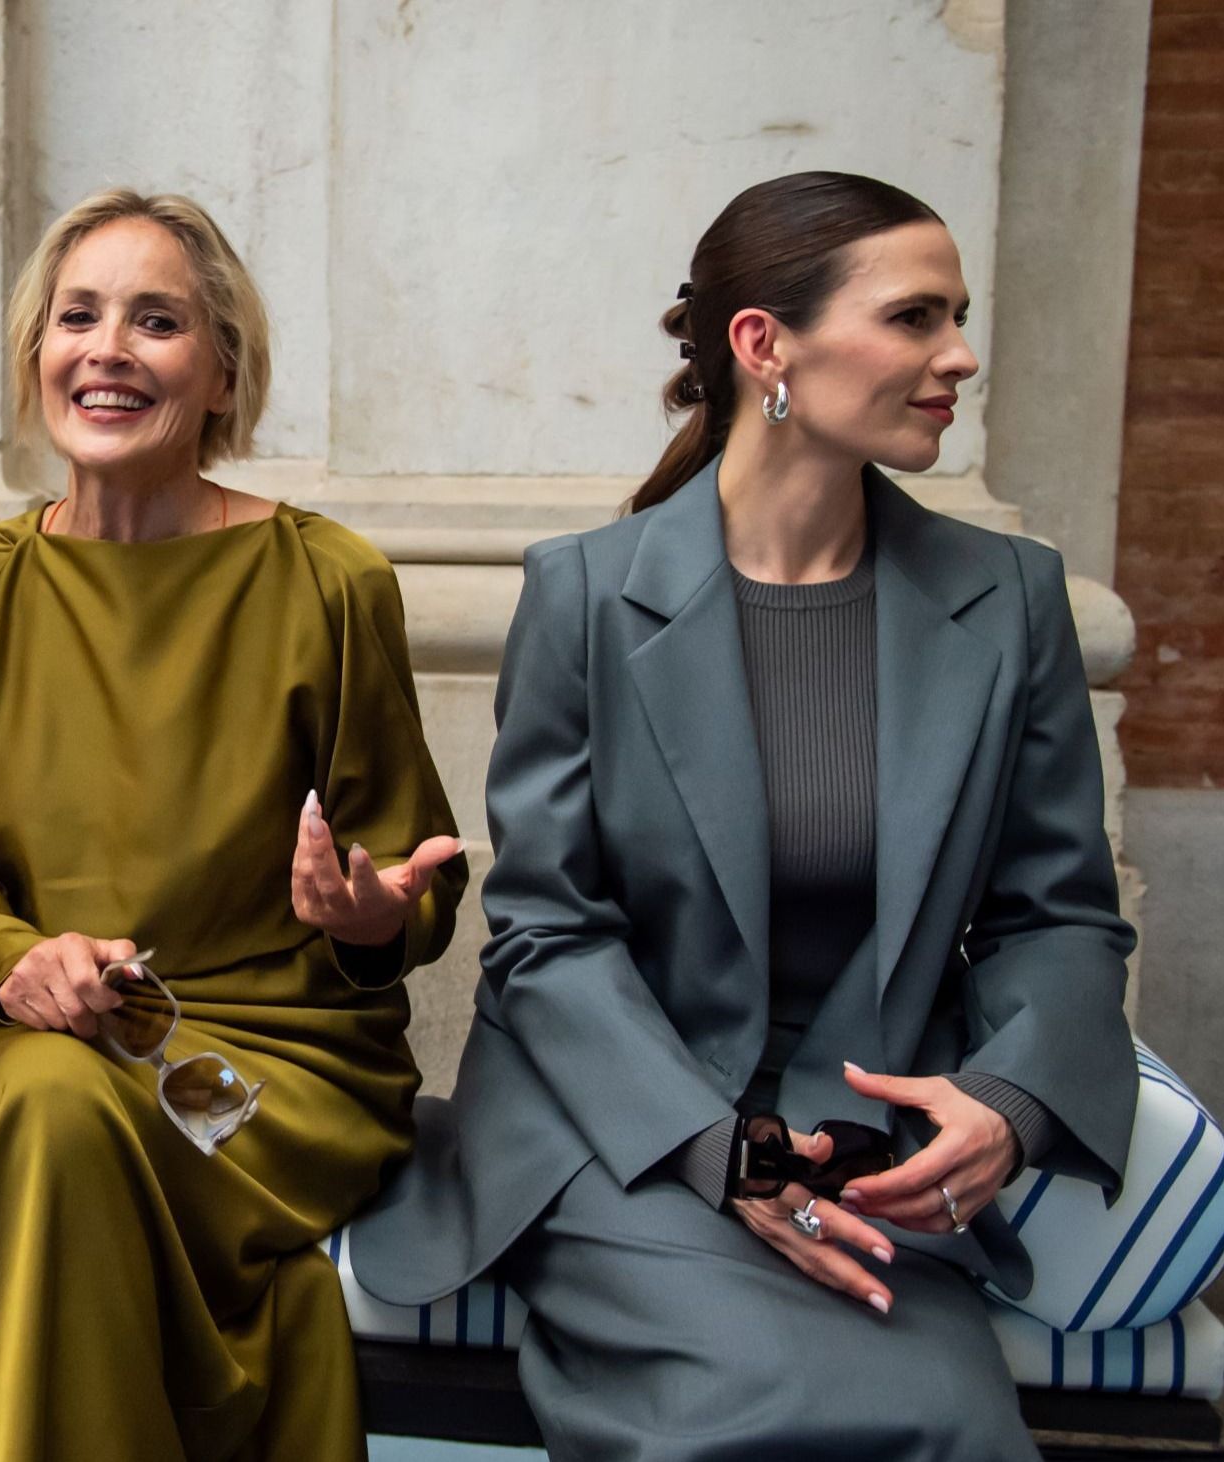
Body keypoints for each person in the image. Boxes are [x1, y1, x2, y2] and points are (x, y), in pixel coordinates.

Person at [351, 172, 1139, 1459]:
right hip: (622, 1126)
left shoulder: (1008, 598)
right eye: (914, 317)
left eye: (957, 317)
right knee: (756, 1409)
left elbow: (1052, 914)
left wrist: (1005, 1100)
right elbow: (547, 934)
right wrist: (720, 1151)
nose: (958, 354)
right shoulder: (586, 595)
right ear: (763, 345)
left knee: (945, 1420)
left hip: (869, 1141)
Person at [0, 188, 463, 1462]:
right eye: (76, 317)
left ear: (223, 372)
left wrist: (367, 916)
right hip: (30, 1039)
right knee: (44, 1105)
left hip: (271, 1069)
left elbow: (407, 881)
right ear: (36, 354)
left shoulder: (327, 580)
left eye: (156, 321)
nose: (108, 350)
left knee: (48, 1125)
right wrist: (16, 964)